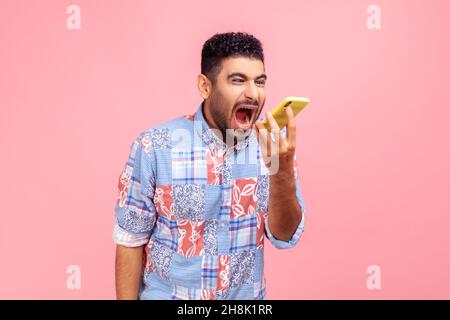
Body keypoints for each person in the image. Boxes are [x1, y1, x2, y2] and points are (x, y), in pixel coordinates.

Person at [113, 31, 306, 300]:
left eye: (259, 82)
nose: (252, 93)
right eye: (238, 80)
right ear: (205, 86)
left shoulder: (274, 147)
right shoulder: (154, 146)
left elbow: (284, 236)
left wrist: (281, 172)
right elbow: (130, 240)